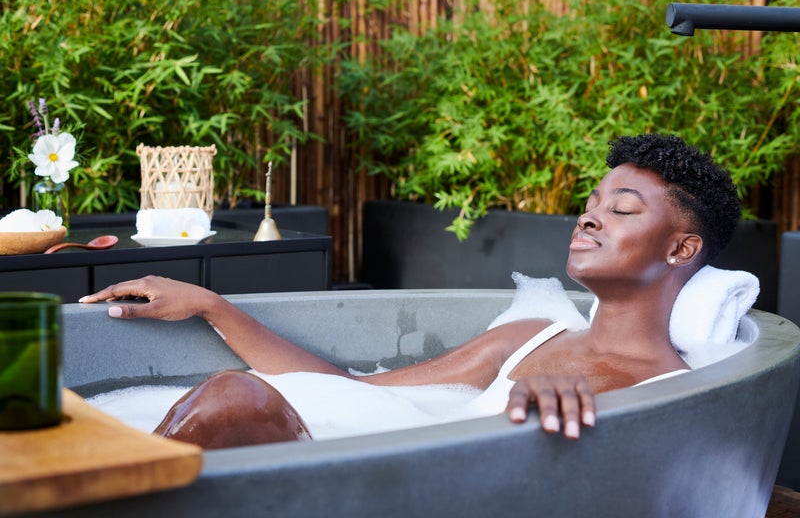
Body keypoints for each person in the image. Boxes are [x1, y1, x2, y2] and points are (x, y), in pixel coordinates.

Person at [79, 133, 741, 449]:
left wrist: (545, 413)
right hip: (359, 469)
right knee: (231, 394)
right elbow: (353, 391)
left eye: (621, 209)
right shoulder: (529, 338)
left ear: (681, 249)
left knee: (229, 398)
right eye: (591, 202)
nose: (589, 217)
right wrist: (211, 306)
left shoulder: (675, 389)